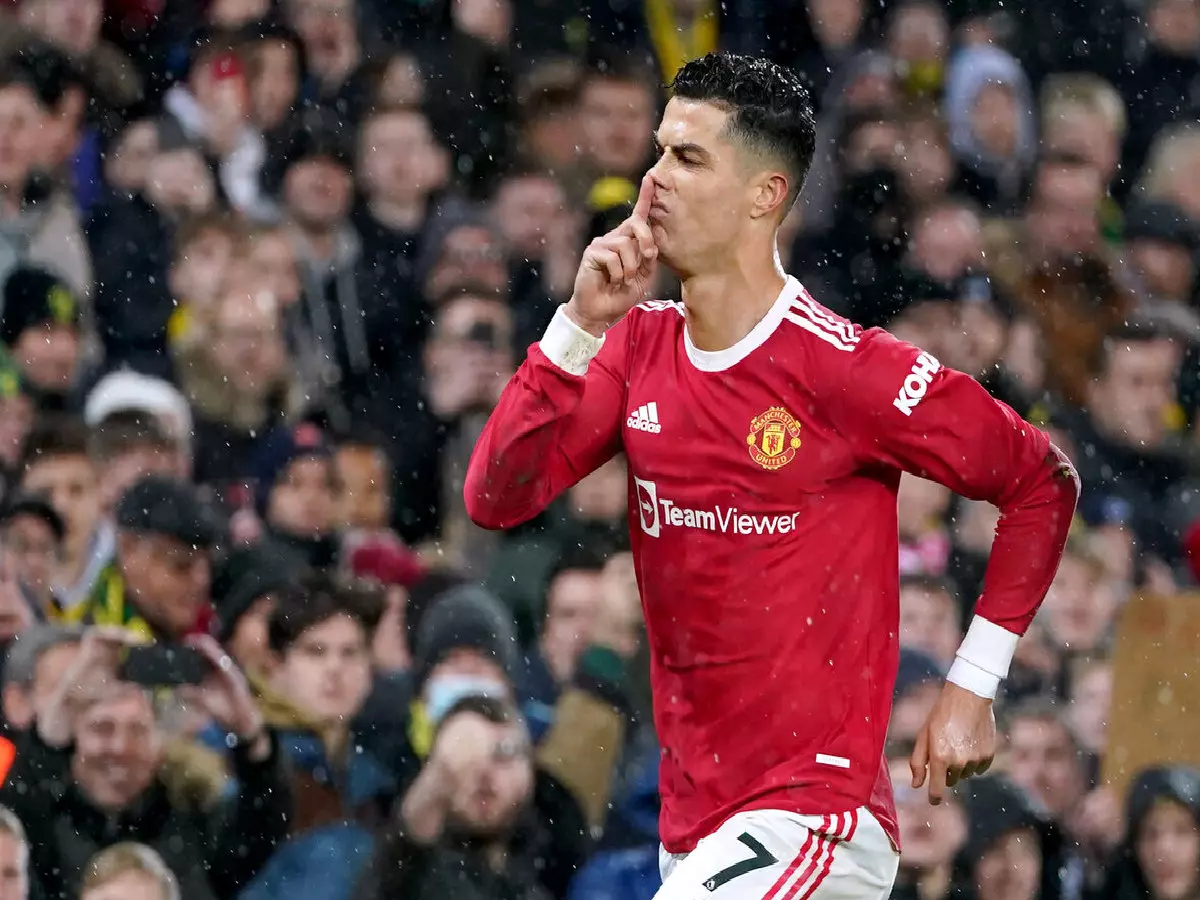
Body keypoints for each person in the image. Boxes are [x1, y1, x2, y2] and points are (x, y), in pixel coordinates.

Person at [465, 51, 1080, 899]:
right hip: (696, 828)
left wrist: (972, 687)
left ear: (766, 195)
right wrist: (576, 326)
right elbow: (496, 497)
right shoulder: (636, 348)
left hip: (816, 816)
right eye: (657, 152)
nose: (653, 182)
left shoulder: (847, 369)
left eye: (687, 158)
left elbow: (1042, 480)